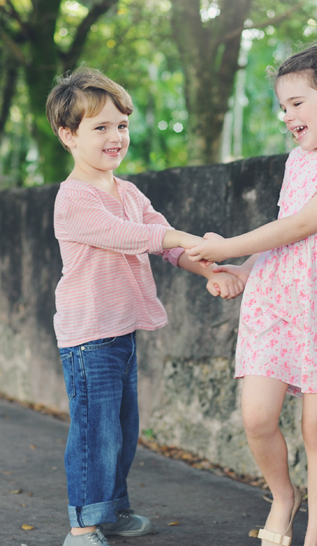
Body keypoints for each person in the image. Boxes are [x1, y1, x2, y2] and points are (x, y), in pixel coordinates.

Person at [186, 41, 317, 546]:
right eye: (283, 106)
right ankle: (284, 496)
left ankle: (316, 537)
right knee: (256, 418)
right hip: (275, 300)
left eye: (297, 103)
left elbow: (301, 226)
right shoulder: (296, 161)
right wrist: (241, 266)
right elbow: (283, 234)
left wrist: (226, 243)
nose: (287, 116)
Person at [46, 67, 245, 546]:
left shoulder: (128, 192)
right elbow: (132, 236)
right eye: (101, 128)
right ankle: (83, 526)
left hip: (120, 332)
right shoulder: (74, 199)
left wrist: (211, 270)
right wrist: (180, 236)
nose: (116, 137)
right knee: (97, 433)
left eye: (122, 126)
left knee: (122, 429)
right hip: (89, 336)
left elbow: (165, 246)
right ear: (68, 135)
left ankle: (111, 511)